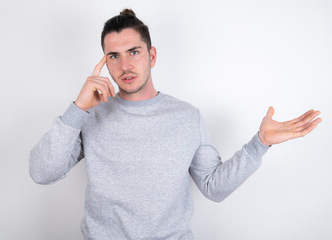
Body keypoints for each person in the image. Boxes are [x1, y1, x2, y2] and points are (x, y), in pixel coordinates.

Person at [29, 9, 322, 240]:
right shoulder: (89, 116)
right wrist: (77, 108)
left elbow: (213, 187)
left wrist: (260, 144)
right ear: (105, 63)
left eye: (134, 52)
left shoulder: (186, 117)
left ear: (151, 56)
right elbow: (42, 173)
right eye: (113, 57)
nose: (125, 66)